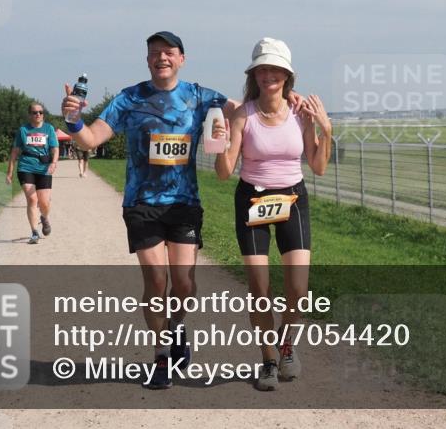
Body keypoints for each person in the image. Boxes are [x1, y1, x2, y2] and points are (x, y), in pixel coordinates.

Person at [61, 31, 288, 389]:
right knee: (156, 280)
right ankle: (162, 355)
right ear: (147, 60)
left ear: (182, 58)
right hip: (142, 204)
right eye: (154, 53)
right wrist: (73, 121)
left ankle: (177, 325)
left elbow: (248, 110)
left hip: (184, 204)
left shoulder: (198, 96)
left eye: (168, 52)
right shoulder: (128, 99)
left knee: (182, 283)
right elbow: (90, 139)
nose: (161, 58)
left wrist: (286, 99)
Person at [214, 37, 332, 391]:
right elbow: (223, 172)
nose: (269, 75)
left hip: (293, 198)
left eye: (275, 69)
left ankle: (287, 345)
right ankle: (268, 360)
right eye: (263, 68)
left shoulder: (300, 112)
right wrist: (218, 142)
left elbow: (318, 166)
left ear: (287, 74)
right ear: (255, 74)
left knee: (298, 288)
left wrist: (326, 129)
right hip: (253, 199)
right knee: (260, 287)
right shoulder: (242, 114)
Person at [5, 102, 59, 244]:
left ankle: (45, 218)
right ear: (30, 115)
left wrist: (54, 162)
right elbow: (15, 152)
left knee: (44, 202)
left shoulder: (49, 129)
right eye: (35, 112)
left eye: (41, 112)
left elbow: (55, 148)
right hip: (26, 167)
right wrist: (9, 172)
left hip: (44, 168)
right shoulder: (23, 130)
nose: (38, 115)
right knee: (32, 200)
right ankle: (34, 232)